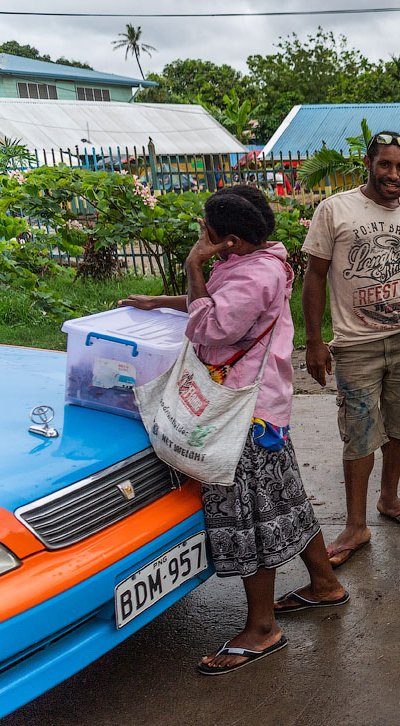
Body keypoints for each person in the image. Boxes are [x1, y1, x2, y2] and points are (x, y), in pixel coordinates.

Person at [121, 185, 348, 675]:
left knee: (248, 518)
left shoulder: (254, 276)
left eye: (209, 233)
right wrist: (161, 301)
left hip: (243, 417)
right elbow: (217, 307)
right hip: (265, 410)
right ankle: (325, 584)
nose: (202, 236)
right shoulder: (265, 258)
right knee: (283, 499)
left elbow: (211, 329)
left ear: (230, 242)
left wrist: (192, 268)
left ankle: (262, 629)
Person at [301, 131, 400, 567]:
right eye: (385, 164)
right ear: (368, 164)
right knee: (359, 432)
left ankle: (389, 498)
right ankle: (355, 524)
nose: (394, 174)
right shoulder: (335, 210)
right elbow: (313, 277)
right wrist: (314, 341)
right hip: (355, 344)